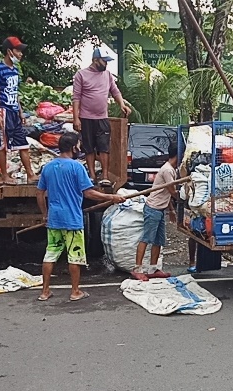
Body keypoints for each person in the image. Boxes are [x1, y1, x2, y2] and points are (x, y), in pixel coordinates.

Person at [36, 132, 125, 302]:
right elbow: (89, 193)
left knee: (50, 254)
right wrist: (111, 198)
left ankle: (45, 291)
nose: (79, 148)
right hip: (72, 220)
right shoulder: (77, 167)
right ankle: (75, 291)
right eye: (78, 145)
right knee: (74, 256)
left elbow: (40, 193)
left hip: (54, 219)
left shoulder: (48, 167)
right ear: (73, 147)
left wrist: (45, 214)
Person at [72, 47, 131, 187]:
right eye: (104, 61)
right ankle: (92, 176)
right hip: (86, 117)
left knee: (104, 147)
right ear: (95, 60)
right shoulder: (81, 75)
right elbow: (76, 98)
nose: (106, 64)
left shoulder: (108, 75)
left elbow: (115, 91)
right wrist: (76, 118)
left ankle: (105, 176)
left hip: (102, 117)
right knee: (89, 147)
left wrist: (122, 104)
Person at [0, 36, 38, 185]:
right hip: (3, 111)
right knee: (2, 145)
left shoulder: (15, 70)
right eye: (18, 51)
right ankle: (4, 176)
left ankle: (30, 174)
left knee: (22, 142)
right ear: (10, 51)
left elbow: (14, 92)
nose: (21, 54)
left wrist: (20, 111)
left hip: (13, 111)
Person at [132, 142, 178, 281]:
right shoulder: (168, 170)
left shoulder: (171, 169)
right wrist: (187, 198)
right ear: (178, 154)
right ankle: (137, 268)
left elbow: (166, 193)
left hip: (160, 209)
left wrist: (171, 210)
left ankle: (153, 268)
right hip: (153, 209)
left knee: (158, 240)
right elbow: (172, 191)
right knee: (146, 238)